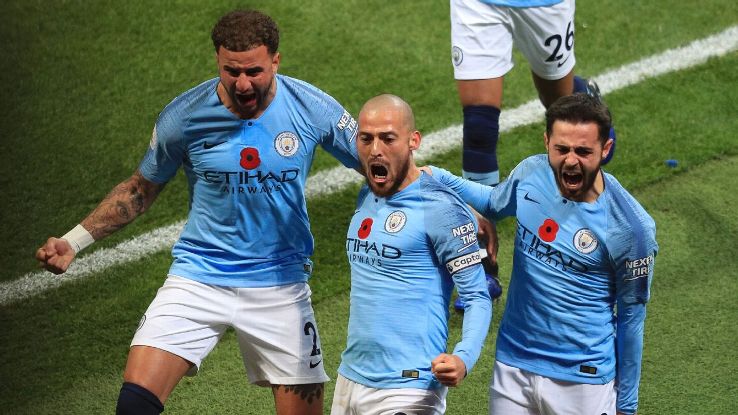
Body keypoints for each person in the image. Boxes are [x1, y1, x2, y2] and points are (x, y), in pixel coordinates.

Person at [34, 9, 361, 415]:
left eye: (255, 71)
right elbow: (140, 189)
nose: (243, 83)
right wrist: (73, 240)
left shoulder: (312, 108)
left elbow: (381, 164)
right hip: (198, 277)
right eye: (231, 71)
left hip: (281, 284)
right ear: (218, 62)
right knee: (134, 404)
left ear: (276, 60)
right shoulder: (185, 116)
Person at [429, 93, 656, 415]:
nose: (571, 161)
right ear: (547, 140)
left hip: (583, 381)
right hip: (513, 364)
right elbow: (495, 202)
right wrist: (438, 176)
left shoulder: (631, 228)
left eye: (583, 151)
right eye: (561, 149)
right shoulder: (532, 173)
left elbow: (632, 318)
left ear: (605, 150)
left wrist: (627, 407)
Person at [331, 94, 492, 415]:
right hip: (351, 377)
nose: (375, 149)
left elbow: (476, 296)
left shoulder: (441, 208)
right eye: (366, 139)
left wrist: (463, 357)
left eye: (388, 138)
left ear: (413, 141)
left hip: (408, 387)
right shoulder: (368, 193)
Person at [450, 0, 617, 188]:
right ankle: (479, 213)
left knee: (560, 106)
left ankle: (583, 97)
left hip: (544, 5)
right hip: (479, 5)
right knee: (478, 127)